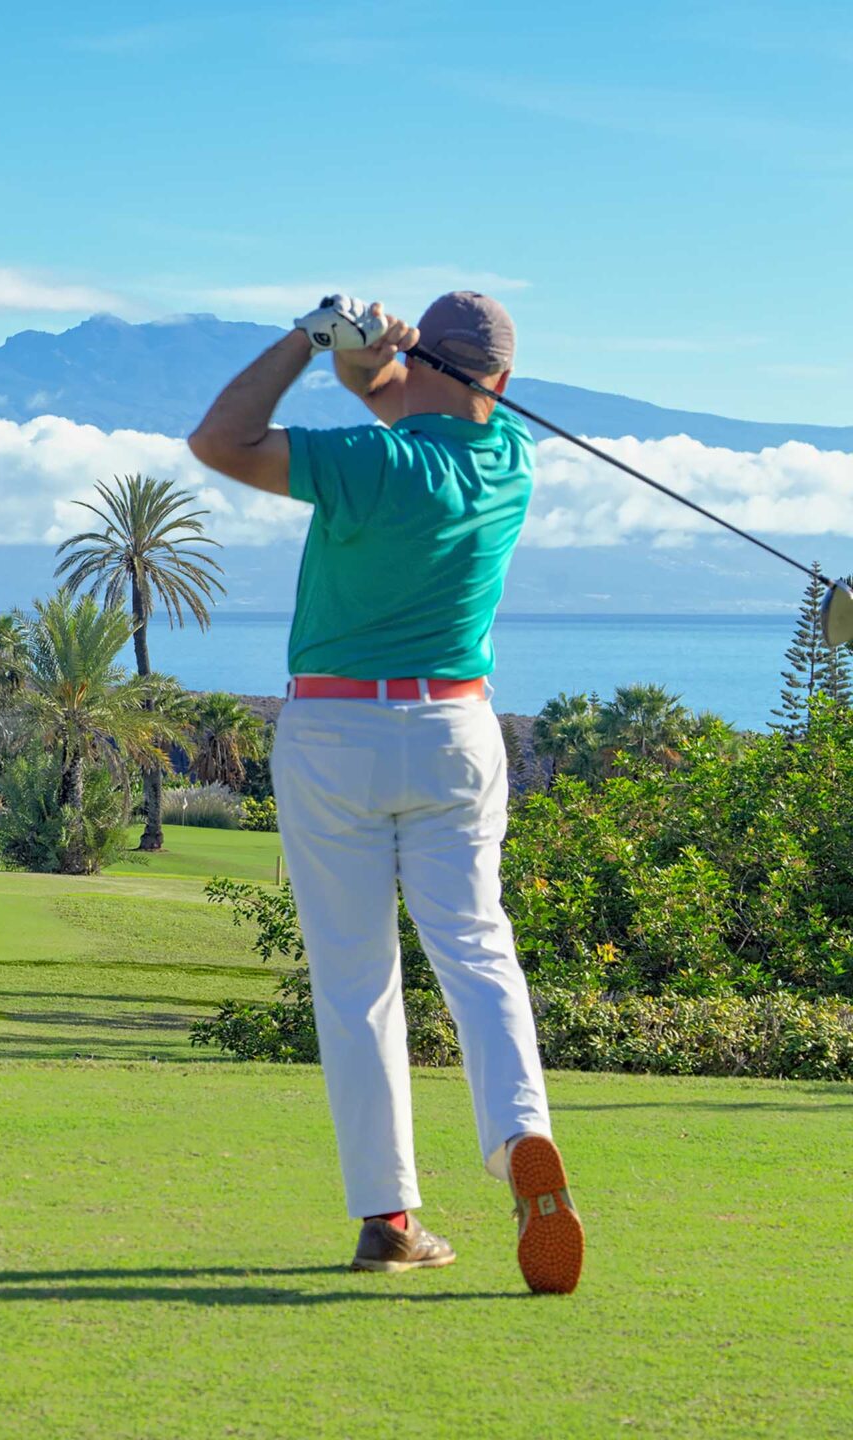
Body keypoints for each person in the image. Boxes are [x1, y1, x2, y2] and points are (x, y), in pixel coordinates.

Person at [184, 291, 584, 1295]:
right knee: (475, 945)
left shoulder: (368, 464)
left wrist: (309, 336)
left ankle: (390, 1219)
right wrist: (370, 357)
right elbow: (396, 395)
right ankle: (520, 1136)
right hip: (454, 730)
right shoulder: (510, 463)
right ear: (501, 383)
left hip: (333, 734)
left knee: (356, 980)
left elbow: (219, 440)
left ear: (429, 363)